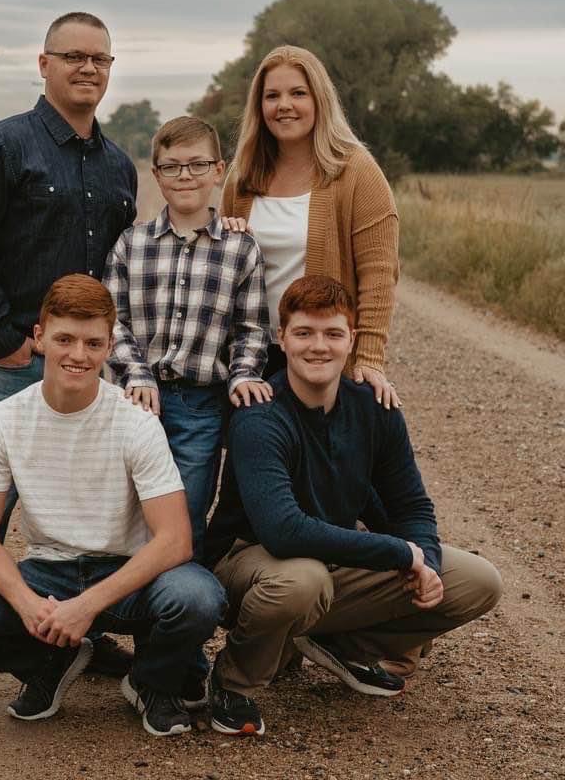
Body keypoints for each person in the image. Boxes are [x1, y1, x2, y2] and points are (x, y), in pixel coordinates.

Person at [0, 275, 226, 737]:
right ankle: (48, 660)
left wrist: (87, 606)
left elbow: (174, 541)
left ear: (110, 346)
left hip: (128, 575)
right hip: (48, 572)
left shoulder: (135, 422)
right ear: (39, 337)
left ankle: (151, 681)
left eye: (93, 343)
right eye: (64, 339)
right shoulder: (5, 419)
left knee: (198, 597)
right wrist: (27, 604)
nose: (78, 355)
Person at [0, 12, 137, 713]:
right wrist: (7, 340)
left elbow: (121, 270)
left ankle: (91, 627)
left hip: (85, 370)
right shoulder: (0, 147)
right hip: (10, 361)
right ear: (44, 63)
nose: (88, 69)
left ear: (110, 69)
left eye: (100, 59)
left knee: (94, 501)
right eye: (73, 56)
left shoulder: (117, 166)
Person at [204, 275, 502, 736]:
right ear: (281, 338)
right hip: (250, 560)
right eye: (303, 333)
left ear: (352, 341)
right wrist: (399, 553)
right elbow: (283, 530)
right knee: (301, 581)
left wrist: (425, 561)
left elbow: (412, 505)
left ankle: (342, 644)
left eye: (332, 334)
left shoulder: (374, 408)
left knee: (478, 581)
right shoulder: (260, 415)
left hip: (331, 561)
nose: (318, 347)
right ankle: (232, 682)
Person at [103, 115, 272, 559]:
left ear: (219, 171)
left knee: (184, 515)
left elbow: (251, 327)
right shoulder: (131, 244)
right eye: (173, 166)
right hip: (135, 401)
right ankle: (114, 606)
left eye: (197, 165)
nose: (185, 176)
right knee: (123, 512)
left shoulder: (240, 248)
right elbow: (111, 321)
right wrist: (136, 375)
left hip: (200, 406)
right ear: (156, 175)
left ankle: (174, 617)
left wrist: (242, 375)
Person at [220, 45, 400, 409]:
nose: (284, 105)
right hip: (251, 359)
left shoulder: (355, 171)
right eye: (272, 95)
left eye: (298, 93)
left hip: (320, 355)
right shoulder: (242, 177)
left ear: (320, 99)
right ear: (259, 107)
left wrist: (367, 358)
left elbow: (378, 274)